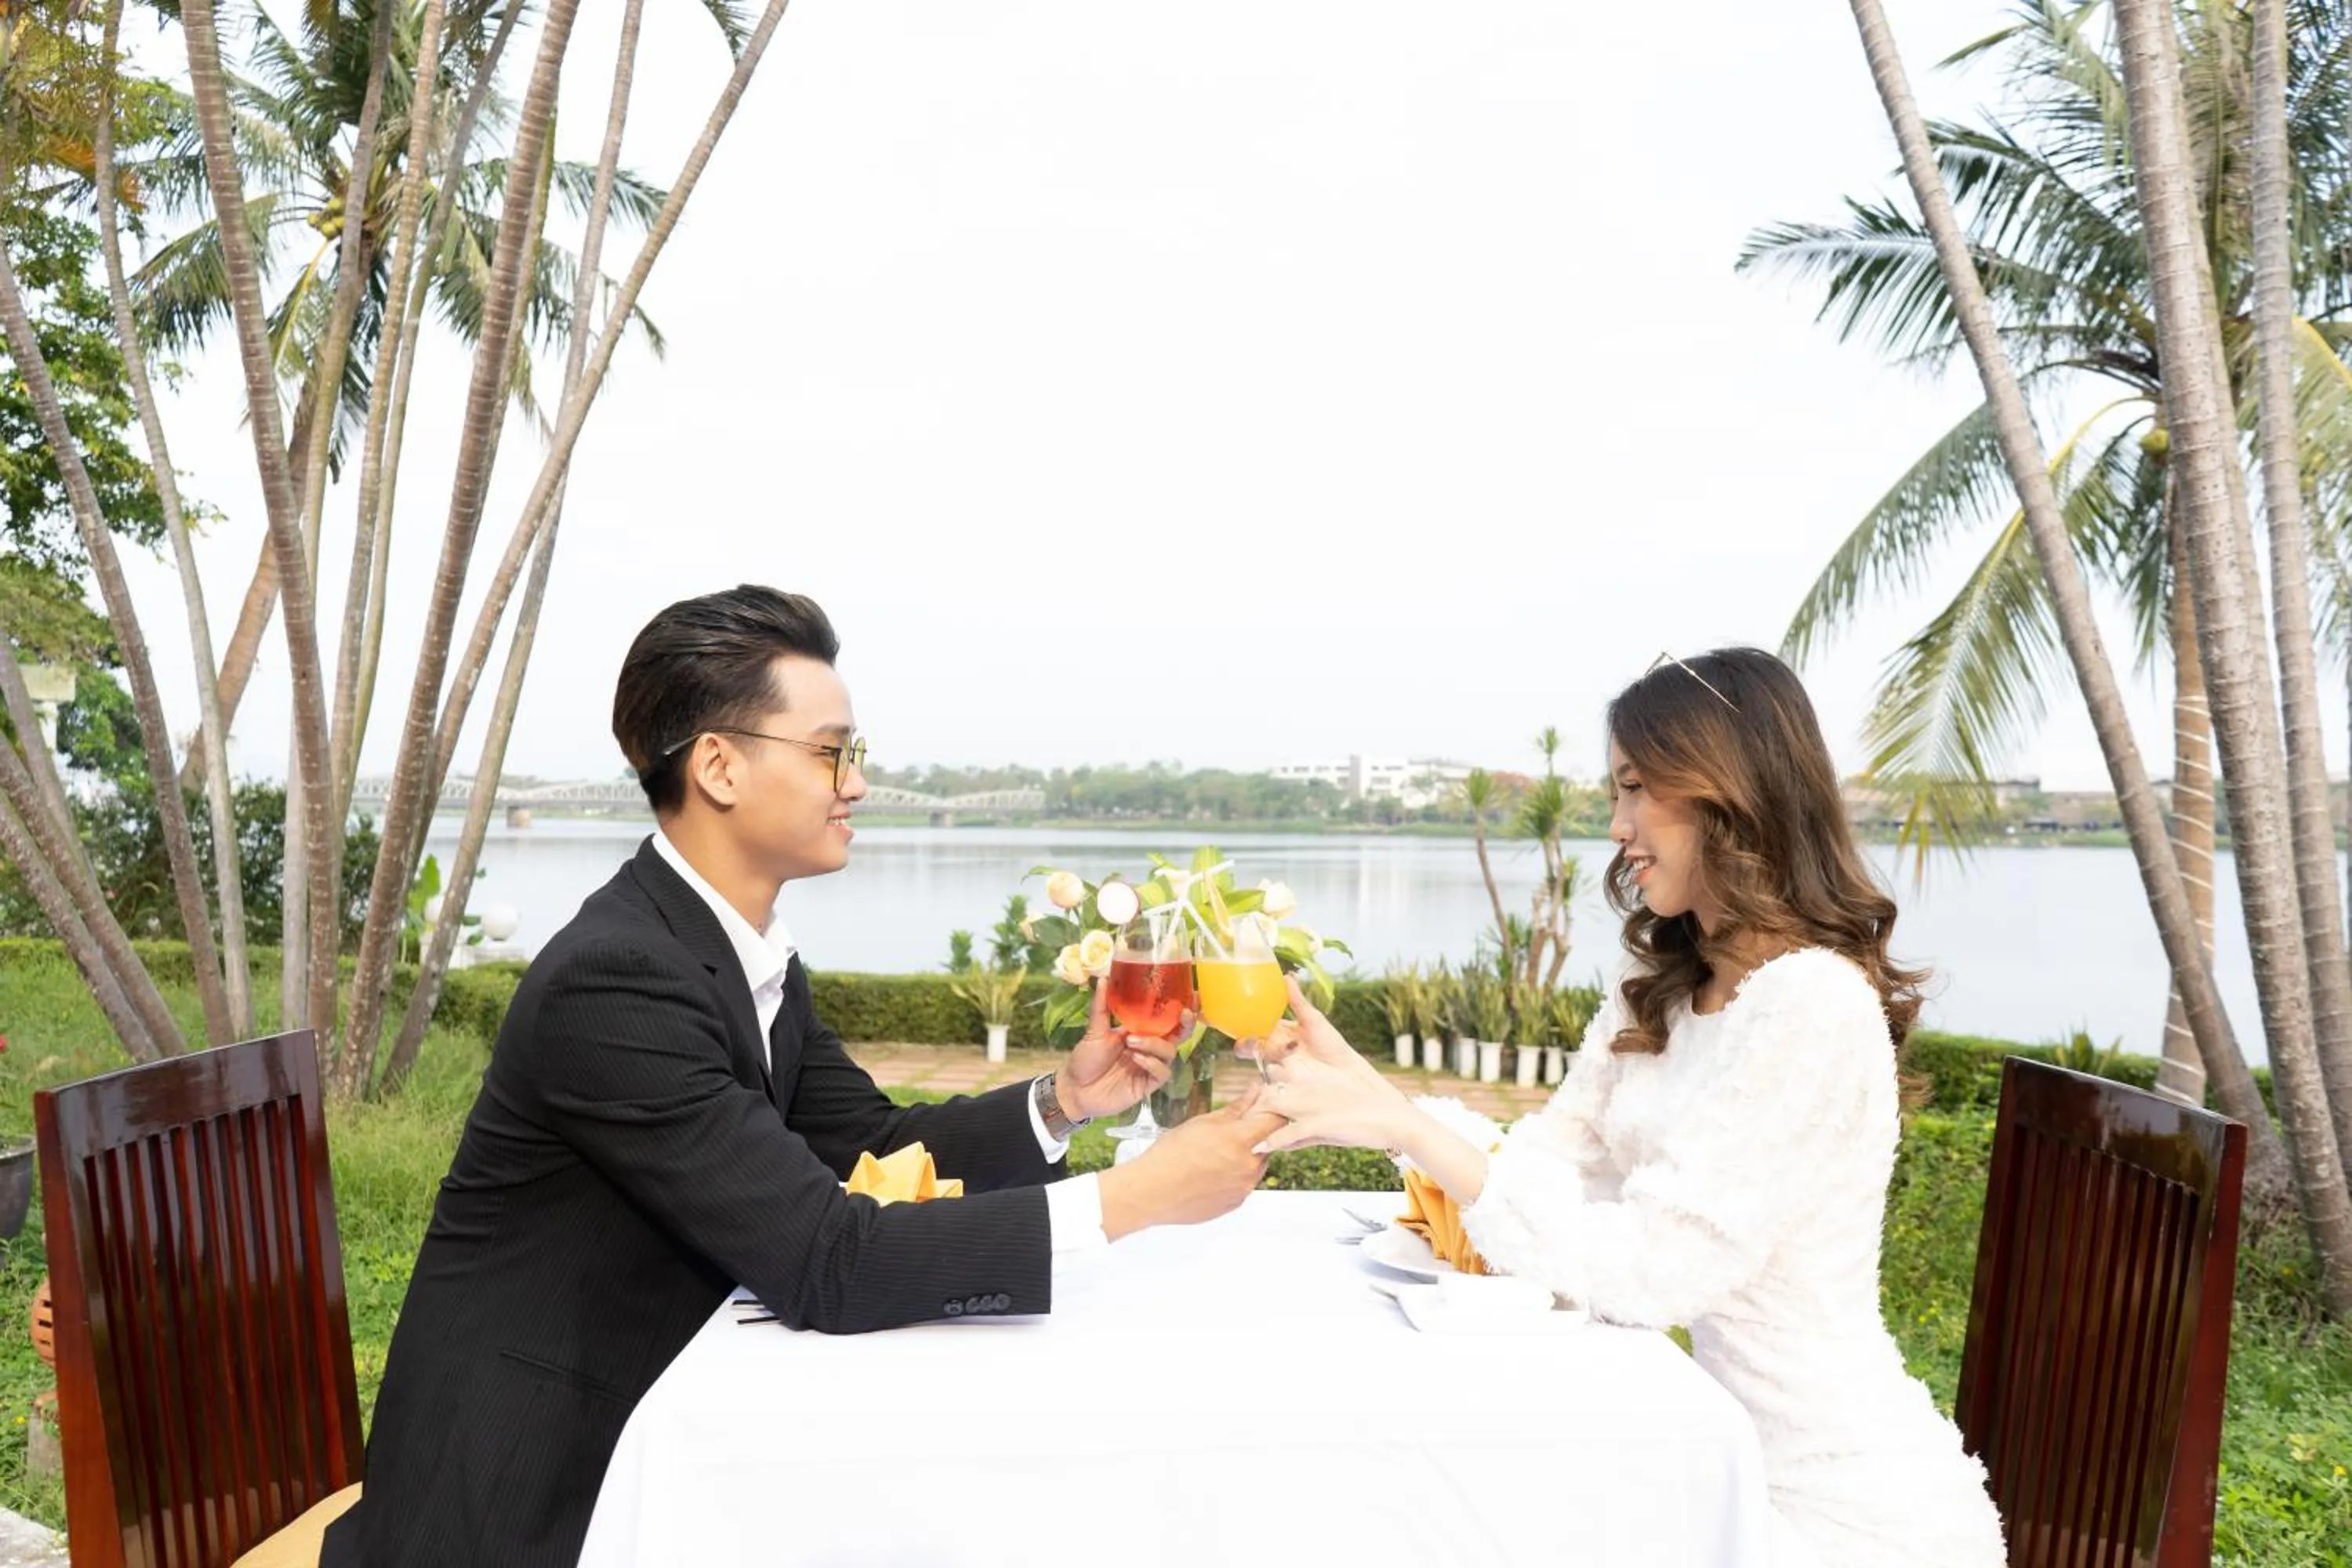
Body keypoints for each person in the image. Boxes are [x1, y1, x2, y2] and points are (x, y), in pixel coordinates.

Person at [325, 586, 1280, 1567]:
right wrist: (1129, 1199)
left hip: (671, 1435)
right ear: (719, 766)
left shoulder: (727, 953)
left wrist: (1066, 1101)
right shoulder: (617, 981)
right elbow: (831, 1259)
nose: (856, 783)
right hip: (534, 1498)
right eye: (831, 751)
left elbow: (869, 1146)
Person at [1253, 648, 2007, 1568]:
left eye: (1636, 787)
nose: (1616, 825)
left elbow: (1655, 1272)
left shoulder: (1812, 1003)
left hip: (1833, 1502)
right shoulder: (1664, 983)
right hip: (1699, 1447)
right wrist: (1385, 1101)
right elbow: (1548, 1162)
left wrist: (1405, 1126)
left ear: (1725, 788)